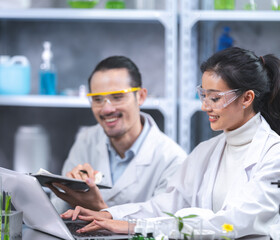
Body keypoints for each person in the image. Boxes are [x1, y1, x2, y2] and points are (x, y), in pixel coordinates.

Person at [61, 47, 280, 238]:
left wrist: (135, 227)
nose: (205, 106)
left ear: (247, 98)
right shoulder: (207, 151)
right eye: (203, 95)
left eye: (215, 98)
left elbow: (233, 224)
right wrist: (110, 215)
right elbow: (165, 205)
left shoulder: (276, 155)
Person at [49, 56, 187, 213]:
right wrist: (68, 191)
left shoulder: (173, 160)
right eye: (97, 99)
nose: (107, 109)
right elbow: (59, 206)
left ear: (141, 96)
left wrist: (100, 210)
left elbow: (163, 226)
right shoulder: (86, 140)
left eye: (117, 97)